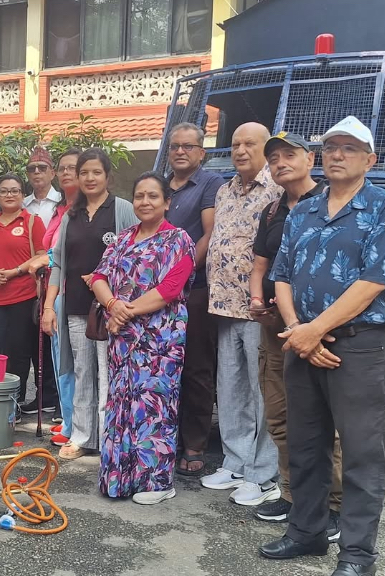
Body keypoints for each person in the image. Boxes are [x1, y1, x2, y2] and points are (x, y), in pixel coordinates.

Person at [257, 116, 385, 576]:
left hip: (357, 347)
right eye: (331, 147)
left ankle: (358, 554)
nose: (337, 154)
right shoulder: (304, 208)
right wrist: (298, 330)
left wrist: (312, 330)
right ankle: (307, 532)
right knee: (305, 445)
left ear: (370, 159)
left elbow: (375, 281)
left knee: (362, 452)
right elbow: (280, 274)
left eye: (349, 147)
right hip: (302, 342)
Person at [249, 132, 342, 532]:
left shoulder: (330, 204)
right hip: (276, 329)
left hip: (321, 330)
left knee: (325, 420)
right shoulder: (272, 211)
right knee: (281, 415)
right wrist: (256, 300)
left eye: (290, 155)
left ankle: (335, 504)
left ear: (311, 159)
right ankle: (292, 495)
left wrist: (312, 325)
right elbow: (260, 265)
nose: (281, 162)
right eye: (274, 158)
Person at [90, 173, 194, 505]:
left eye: (153, 196)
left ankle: (157, 482)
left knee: (153, 406)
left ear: (167, 202)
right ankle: (119, 478)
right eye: (139, 196)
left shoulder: (178, 240)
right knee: (121, 403)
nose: (145, 202)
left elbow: (170, 289)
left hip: (160, 341)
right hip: (122, 339)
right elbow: (98, 276)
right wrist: (112, 305)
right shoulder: (121, 239)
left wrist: (125, 310)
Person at [202, 122, 283, 506]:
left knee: (262, 390)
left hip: (258, 309)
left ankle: (263, 473)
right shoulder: (224, 189)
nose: (240, 150)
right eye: (235, 144)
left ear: (266, 148)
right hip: (224, 305)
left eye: (249, 144)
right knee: (231, 388)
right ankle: (235, 461)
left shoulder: (277, 189)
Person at [42, 148, 138, 461]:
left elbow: (138, 256)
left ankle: (110, 438)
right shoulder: (71, 215)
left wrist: (105, 279)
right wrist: (48, 306)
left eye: (96, 172)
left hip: (111, 309)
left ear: (107, 176)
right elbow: (57, 263)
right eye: (84, 173)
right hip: (76, 308)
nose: (90, 178)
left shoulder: (122, 209)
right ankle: (83, 436)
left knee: (109, 374)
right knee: (82, 373)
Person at [161, 122, 223, 477]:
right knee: (163, 368)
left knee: (196, 369)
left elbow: (209, 235)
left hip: (194, 289)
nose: (180, 151)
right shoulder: (159, 185)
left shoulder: (210, 185)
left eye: (188, 146)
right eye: (174, 146)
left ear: (202, 152)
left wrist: (179, 275)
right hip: (155, 297)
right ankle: (165, 438)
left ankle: (195, 443)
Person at [0, 173, 47, 395]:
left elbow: (43, 254)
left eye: (14, 191)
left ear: (22, 195)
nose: (9, 195)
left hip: (23, 296)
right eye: (4, 191)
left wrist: (15, 272)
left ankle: (15, 400)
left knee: (19, 351)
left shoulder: (32, 221)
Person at [43, 147, 82, 445]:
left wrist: (41, 259)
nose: (68, 173)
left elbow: (59, 256)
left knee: (76, 364)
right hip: (55, 293)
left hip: (76, 295)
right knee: (61, 361)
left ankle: (76, 424)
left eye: (74, 168)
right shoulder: (59, 211)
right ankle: (69, 420)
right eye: (64, 168)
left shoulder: (84, 211)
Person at [20, 146, 61, 416]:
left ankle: (59, 398)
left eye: (42, 168)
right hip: (30, 279)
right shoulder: (22, 204)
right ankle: (43, 395)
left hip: (57, 275)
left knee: (57, 340)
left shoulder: (60, 203)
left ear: (52, 172)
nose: (37, 173)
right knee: (36, 339)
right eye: (32, 168)